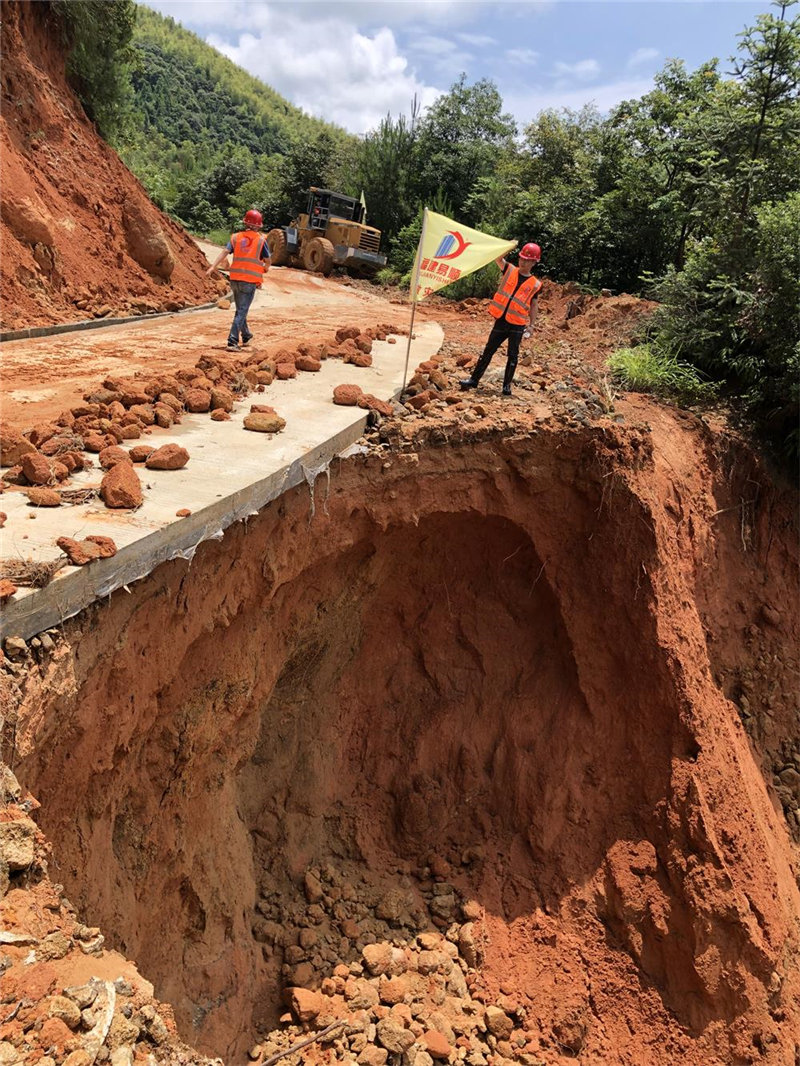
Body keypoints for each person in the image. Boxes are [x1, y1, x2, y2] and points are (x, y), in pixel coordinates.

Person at [460, 242, 543, 396]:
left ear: (534, 262)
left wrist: (532, 325)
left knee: (513, 355)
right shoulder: (509, 269)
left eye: (527, 260)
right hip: (501, 320)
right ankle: (474, 380)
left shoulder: (535, 284)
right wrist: (509, 247)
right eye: (521, 258)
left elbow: (534, 305)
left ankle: (506, 387)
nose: (523, 262)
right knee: (488, 351)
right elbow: (498, 259)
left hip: (517, 324)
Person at [206, 209, 270, 351]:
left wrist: (213, 267)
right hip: (249, 281)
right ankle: (232, 341)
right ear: (259, 225)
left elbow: (225, 252)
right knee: (241, 311)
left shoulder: (236, 237)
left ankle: (246, 335)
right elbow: (268, 259)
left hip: (234, 279)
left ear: (245, 222)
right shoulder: (261, 240)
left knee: (241, 309)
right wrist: (266, 268)